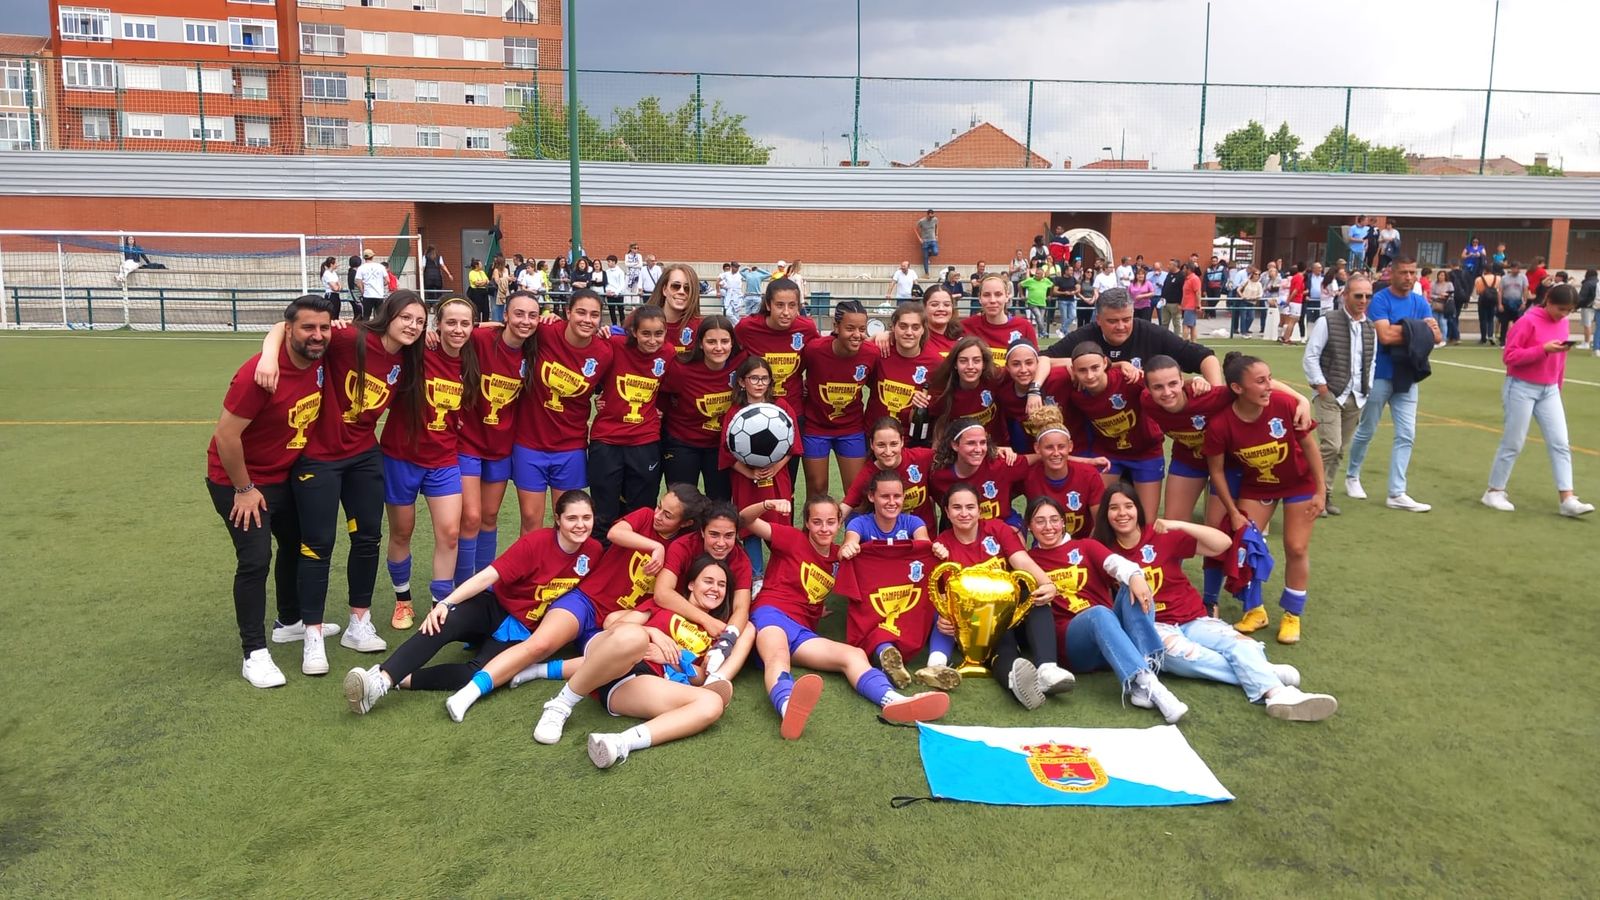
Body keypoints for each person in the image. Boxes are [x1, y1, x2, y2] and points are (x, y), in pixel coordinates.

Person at [254, 290, 429, 673]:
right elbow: (288, 328)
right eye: (406, 317)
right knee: (317, 545)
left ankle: (358, 623)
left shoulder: (407, 357)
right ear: (388, 314)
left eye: (420, 321)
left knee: (367, 538)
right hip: (318, 457)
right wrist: (268, 354)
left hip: (364, 456)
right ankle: (312, 637)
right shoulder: (351, 337)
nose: (413, 326)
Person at [441, 484, 702, 722]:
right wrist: (656, 547)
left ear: (686, 523)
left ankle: (538, 672)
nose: (658, 515)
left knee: (612, 660)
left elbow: (665, 597)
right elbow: (615, 533)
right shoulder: (645, 517)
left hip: (614, 622)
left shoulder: (680, 553)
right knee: (540, 644)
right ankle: (469, 692)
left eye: (668, 515)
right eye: (660, 506)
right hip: (585, 601)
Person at [342, 490, 602, 714]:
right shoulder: (536, 543)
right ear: (557, 519)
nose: (580, 525)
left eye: (586, 518)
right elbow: (488, 576)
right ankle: (381, 680)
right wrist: (445, 603)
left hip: (522, 630)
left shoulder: (594, 552)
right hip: (494, 606)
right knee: (443, 622)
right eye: (572, 518)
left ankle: (400, 679)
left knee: (475, 673)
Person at [1096, 486, 1338, 721]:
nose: (1122, 513)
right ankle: (1268, 673)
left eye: (1128, 506)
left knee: (1239, 643)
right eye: (1114, 508)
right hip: (1155, 626)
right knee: (1183, 657)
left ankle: (1277, 694)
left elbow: (1222, 544)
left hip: (1193, 617)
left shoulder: (1160, 535)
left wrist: (1179, 524)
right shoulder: (1104, 552)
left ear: (1138, 509)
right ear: (1105, 514)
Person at [207, 295, 334, 688]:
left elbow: (286, 326)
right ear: (290, 330)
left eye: (324, 327)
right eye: (308, 328)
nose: (317, 335)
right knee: (255, 559)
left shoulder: (319, 357)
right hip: (238, 480)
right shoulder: (259, 375)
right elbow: (226, 436)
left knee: (297, 543)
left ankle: (289, 621)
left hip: (284, 476)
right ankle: (254, 653)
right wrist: (244, 489)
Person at [743, 496, 950, 737]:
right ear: (807, 523)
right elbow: (744, 520)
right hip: (770, 614)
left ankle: (893, 700)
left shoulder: (840, 557)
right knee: (778, 656)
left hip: (802, 632)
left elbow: (883, 571)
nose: (824, 528)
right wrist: (766, 505)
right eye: (817, 522)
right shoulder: (791, 538)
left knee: (853, 655)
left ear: (840, 523)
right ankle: (788, 706)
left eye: (830, 522)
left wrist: (931, 550)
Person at [536, 555, 736, 769]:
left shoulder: (715, 632)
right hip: (617, 654)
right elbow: (614, 628)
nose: (715, 588)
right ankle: (559, 706)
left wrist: (671, 659)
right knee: (635, 637)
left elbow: (702, 676)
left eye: (721, 585)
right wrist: (652, 633)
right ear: (691, 584)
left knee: (712, 703)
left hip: (639, 682)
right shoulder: (665, 605)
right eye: (708, 581)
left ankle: (620, 743)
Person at [1025, 496, 1185, 722]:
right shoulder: (1029, 560)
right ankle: (1150, 684)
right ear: (1029, 527)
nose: (1048, 527)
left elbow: (1117, 564)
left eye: (1054, 520)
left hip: (1111, 633)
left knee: (1134, 583)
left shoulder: (1085, 546)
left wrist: (1136, 576)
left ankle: (1144, 673)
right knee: (1099, 613)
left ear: (1063, 522)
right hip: (1074, 643)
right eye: (1040, 521)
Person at [1204, 353, 1326, 644]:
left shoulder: (1284, 405)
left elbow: (1310, 447)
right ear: (1237, 388)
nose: (1269, 385)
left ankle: (1292, 614)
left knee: (1296, 547)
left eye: (1269, 378)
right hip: (1258, 488)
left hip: (1299, 483)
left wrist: (1321, 491)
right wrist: (1233, 511)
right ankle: (1255, 609)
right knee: (1245, 543)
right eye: (1260, 381)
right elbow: (1216, 471)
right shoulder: (1221, 424)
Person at [380, 296, 476, 629]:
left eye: (465, 323)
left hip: (444, 459)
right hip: (401, 457)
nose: (458, 329)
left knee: (450, 533)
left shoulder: (471, 360)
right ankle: (402, 601)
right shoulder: (418, 351)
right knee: (401, 531)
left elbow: (501, 328)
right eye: (450, 322)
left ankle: (440, 605)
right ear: (437, 325)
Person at [927, 482, 1059, 691]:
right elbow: (943, 596)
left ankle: (1048, 670)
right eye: (957, 507)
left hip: (1013, 612)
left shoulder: (997, 529)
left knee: (1035, 595)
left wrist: (1047, 584)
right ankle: (1014, 681)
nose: (964, 513)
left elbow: (1021, 561)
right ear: (947, 512)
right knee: (1002, 643)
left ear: (979, 510)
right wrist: (944, 618)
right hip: (980, 624)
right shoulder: (942, 546)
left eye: (970, 507)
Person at [1482, 283, 1594, 517]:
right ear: (1548, 301)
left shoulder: (1563, 323)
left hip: (1549, 390)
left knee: (1560, 442)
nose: (1564, 314)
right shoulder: (1527, 321)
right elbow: (1510, 356)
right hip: (1521, 387)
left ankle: (1567, 498)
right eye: (1561, 309)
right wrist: (1542, 349)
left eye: (1569, 310)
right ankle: (1494, 491)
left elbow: (1560, 359)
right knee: (1514, 441)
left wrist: (1558, 385)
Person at [455, 290, 541, 590]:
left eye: (532, 315)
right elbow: (455, 333)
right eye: (518, 314)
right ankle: (462, 586)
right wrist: (431, 333)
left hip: (502, 446)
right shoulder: (481, 339)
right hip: (468, 442)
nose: (525, 321)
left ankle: (483, 585)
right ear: (505, 315)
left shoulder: (534, 351)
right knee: (471, 517)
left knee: (489, 516)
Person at [1343, 258, 1440, 513]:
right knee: (1367, 429)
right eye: (1403, 272)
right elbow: (1384, 336)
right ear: (1392, 273)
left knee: (1407, 434)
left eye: (1412, 272)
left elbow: (1436, 336)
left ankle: (1397, 492)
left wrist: (1408, 331)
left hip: (1408, 375)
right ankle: (1352, 475)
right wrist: (1418, 331)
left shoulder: (1420, 302)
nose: (1408, 277)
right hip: (1380, 374)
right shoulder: (1380, 300)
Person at [513, 289, 612, 534]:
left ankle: (562, 562)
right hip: (530, 443)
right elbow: (503, 330)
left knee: (567, 520)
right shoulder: (545, 331)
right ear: (568, 312)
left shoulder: (605, 352)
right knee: (531, 520)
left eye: (594, 315)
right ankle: (530, 562)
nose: (587, 320)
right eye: (581, 312)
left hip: (571, 447)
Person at [588, 305, 672, 540]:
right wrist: (599, 394)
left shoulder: (668, 353)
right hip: (607, 439)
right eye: (646, 333)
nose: (652, 340)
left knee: (641, 511)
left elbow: (674, 386)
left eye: (658, 334)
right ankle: (601, 557)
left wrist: (661, 407)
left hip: (645, 440)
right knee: (603, 511)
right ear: (634, 332)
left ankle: (635, 559)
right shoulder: (614, 344)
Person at [1056, 341, 1167, 518]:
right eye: (1082, 370)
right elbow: (1043, 360)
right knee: (1100, 515)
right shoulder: (1077, 394)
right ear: (1073, 371)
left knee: (1147, 519)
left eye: (1095, 368)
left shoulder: (1129, 379)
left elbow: (1166, 387)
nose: (1090, 375)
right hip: (1108, 454)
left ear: (1105, 363)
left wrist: (1195, 381)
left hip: (1146, 452)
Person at [720, 355, 799, 586]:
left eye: (764, 379)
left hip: (776, 478)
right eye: (754, 378)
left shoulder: (782, 407)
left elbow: (793, 446)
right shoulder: (735, 412)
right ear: (742, 381)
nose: (759, 383)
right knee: (749, 525)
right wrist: (749, 473)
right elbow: (725, 451)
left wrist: (775, 468)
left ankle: (784, 575)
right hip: (746, 480)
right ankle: (756, 577)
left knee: (779, 525)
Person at [1302, 275, 1376, 518]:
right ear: (1345, 296)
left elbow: (1372, 360)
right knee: (1330, 446)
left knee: (1340, 449)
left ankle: (1326, 493)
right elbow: (1311, 355)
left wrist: (1367, 387)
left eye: (1367, 296)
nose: (1363, 300)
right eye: (1358, 295)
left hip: (1356, 396)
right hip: (1331, 393)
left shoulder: (1370, 327)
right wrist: (1321, 386)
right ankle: (1312, 492)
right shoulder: (1328, 321)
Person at [1042, 286, 1222, 385]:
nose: (1121, 326)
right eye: (1112, 321)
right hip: (1094, 422)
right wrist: (1079, 364)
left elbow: (1206, 357)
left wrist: (1216, 395)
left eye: (1127, 319)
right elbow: (1041, 359)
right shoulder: (1084, 335)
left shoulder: (1151, 333)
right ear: (1098, 320)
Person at [800, 300, 876, 499]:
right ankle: (813, 521)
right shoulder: (814, 350)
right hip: (815, 428)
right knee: (817, 490)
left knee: (856, 493)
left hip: (851, 429)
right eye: (850, 328)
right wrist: (803, 386)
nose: (857, 334)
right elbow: (794, 374)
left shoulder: (871, 353)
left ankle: (857, 523)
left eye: (862, 329)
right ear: (836, 327)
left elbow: (877, 384)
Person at [661, 316, 740, 501]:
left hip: (720, 445)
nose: (719, 347)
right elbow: (659, 394)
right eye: (711, 342)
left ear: (732, 343)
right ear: (700, 344)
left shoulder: (741, 364)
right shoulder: (681, 369)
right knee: (681, 503)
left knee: (721, 501)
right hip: (682, 442)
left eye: (724, 341)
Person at [1017, 406, 1106, 539]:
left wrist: (1085, 547)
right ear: (1037, 448)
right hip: (1045, 544)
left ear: (1070, 446)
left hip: (1083, 543)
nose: (1056, 453)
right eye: (1049, 447)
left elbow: (1100, 524)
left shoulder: (1089, 475)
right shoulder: (1028, 475)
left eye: (1061, 447)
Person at [928, 416, 1030, 528]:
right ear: (955, 445)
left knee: (1012, 533)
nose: (978, 449)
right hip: (961, 530)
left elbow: (1038, 458)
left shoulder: (1000, 463)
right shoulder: (938, 476)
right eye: (971, 443)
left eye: (983, 442)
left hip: (1003, 525)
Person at [842, 418, 938, 529]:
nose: (888, 452)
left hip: (924, 532)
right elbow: (847, 504)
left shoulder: (920, 457)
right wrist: (830, 522)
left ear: (902, 442)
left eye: (893, 444)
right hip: (887, 535)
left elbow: (947, 455)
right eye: (881, 445)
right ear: (872, 444)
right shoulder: (868, 473)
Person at [649, 263, 703, 358]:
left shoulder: (701, 327)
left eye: (687, 288)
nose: (681, 292)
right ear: (664, 290)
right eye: (675, 286)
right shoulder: (640, 321)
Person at [1497, 260, 1530, 346]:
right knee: (1504, 323)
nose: (1516, 270)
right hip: (1506, 301)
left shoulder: (1523, 277)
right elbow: (1500, 291)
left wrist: (1524, 302)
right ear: (1511, 268)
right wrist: (1500, 304)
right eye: (1514, 268)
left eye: (1518, 269)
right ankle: (1502, 341)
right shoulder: (1504, 278)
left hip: (1518, 302)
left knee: (1519, 323)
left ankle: (1518, 341)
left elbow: (1525, 290)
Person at [1476, 262, 1505, 346]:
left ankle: (1483, 338)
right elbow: (1500, 289)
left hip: (1483, 300)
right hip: (1493, 300)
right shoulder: (1498, 278)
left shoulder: (1479, 279)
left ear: (1484, 270)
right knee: (1491, 319)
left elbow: (1478, 291)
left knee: (1483, 320)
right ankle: (1490, 336)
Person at [1051, 263, 1082, 339]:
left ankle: (1061, 330)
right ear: (1066, 271)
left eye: (1072, 270)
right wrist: (1064, 293)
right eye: (1070, 270)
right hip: (1062, 300)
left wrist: (1074, 292)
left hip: (1071, 300)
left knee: (1073, 316)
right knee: (1064, 318)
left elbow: (1078, 288)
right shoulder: (1059, 279)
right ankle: (1065, 334)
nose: (1072, 272)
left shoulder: (1073, 279)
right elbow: (1055, 291)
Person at [1430, 264, 1458, 346]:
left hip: (1445, 305)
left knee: (1443, 322)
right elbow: (1430, 294)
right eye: (1440, 275)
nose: (1441, 277)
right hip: (1435, 304)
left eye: (1443, 275)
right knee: (1435, 323)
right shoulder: (1434, 284)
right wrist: (1438, 296)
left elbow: (1452, 294)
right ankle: (1435, 339)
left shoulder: (1449, 284)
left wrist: (1446, 295)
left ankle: (1443, 339)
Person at [355, 249, 387, 314]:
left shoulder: (361, 268)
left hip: (367, 295)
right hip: (379, 295)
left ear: (364, 257)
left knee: (366, 315)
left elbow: (358, 282)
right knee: (379, 315)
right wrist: (381, 285)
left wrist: (362, 291)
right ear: (372, 256)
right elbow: (387, 280)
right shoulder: (381, 267)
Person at [600, 254, 626, 327]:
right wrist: (607, 291)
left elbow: (622, 284)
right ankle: (614, 326)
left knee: (621, 310)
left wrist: (616, 292)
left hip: (618, 294)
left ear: (614, 262)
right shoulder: (606, 272)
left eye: (609, 261)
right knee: (611, 311)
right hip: (609, 294)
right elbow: (606, 283)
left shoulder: (620, 272)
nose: (608, 263)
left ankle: (623, 326)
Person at [1579, 268, 1598, 356]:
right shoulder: (1597, 282)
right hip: (1596, 306)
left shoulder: (1587, 283)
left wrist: (1576, 306)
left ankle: (1587, 342)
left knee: (1587, 325)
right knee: (1595, 325)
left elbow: (1582, 296)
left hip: (1587, 306)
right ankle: (1593, 342)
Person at [465, 259, 491, 323]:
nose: (481, 265)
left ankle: (485, 322)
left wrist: (482, 282)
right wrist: (484, 282)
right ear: (476, 265)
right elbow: (476, 283)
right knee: (477, 309)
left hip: (484, 291)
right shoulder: (472, 273)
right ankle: (477, 322)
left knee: (486, 309)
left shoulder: (482, 272)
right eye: (480, 264)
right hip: (476, 292)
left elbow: (487, 281)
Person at [915, 209, 939, 275]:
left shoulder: (935, 219)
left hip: (933, 239)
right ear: (927, 215)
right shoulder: (921, 221)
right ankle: (926, 273)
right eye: (930, 216)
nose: (931, 218)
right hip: (925, 241)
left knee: (936, 252)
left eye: (932, 216)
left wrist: (937, 234)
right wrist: (919, 238)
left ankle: (928, 255)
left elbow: (937, 226)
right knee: (925, 257)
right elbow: (915, 229)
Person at [490, 255, 511, 324]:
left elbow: (507, 280)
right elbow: (497, 281)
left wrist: (510, 279)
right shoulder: (496, 270)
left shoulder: (506, 270)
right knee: (496, 308)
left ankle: (502, 322)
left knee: (503, 307)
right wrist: (506, 279)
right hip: (496, 291)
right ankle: (496, 323)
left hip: (504, 290)